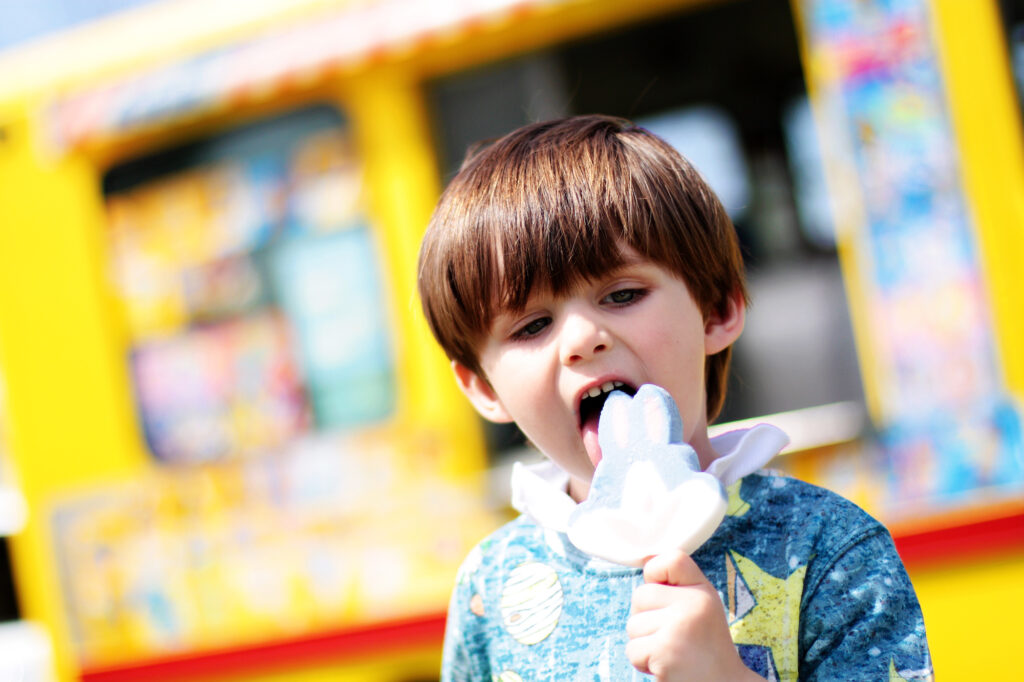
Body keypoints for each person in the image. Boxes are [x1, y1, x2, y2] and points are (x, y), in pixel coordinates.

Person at [417, 115, 933, 681]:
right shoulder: (490, 588)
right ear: (484, 388)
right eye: (532, 326)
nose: (583, 339)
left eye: (622, 294)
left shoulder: (826, 546)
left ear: (716, 310)